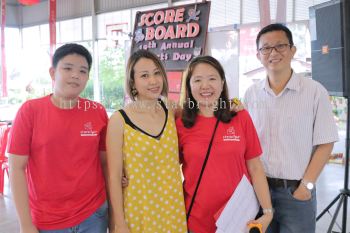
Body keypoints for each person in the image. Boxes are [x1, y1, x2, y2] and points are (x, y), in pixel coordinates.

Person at [244, 23, 339, 233]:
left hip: (296, 192)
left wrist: (307, 186)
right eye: (266, 48)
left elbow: (325, 143)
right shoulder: (251, 95)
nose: (273, 53)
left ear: (293, 50)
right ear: (258, 54)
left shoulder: (314, 92)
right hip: (259, 192)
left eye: (280, 46)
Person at [8, 43, 109, 233]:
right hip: (48, 221)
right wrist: (25, 224)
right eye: (68, 68)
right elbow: (16, 168)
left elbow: (105, 163)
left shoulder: (97, 111)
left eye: (82, 71)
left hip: (94, 214)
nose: (75, 75)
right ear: (53, 73)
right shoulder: (30, 111)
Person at [176, 55, 273, 233]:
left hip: (239, 217)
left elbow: (255, 167)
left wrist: (267, 212)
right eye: (197, 80)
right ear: (189, 85)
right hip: (196, 218)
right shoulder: (181, 123)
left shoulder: (240, 117)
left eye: (212, 78)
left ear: (222, 83)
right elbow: (167, 166)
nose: (205, 86)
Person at [106, 49, 187, 233]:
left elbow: (203, 116)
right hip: (139, 210)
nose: (153, 81)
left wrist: (232, 105)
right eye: (144, 75)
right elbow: (114, 177)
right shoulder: (120, 120)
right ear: (132, 82)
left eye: (157, 73)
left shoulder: (171, 109)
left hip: (172, 209)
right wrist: (119, 223)